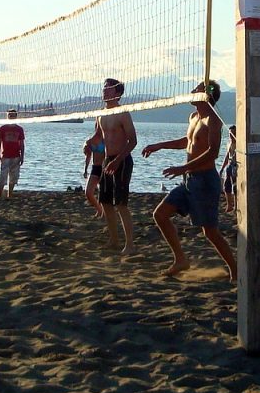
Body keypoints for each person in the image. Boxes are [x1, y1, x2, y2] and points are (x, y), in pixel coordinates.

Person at [142, 81, 237, 281]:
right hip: (189, 180)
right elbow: (188, 141)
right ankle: (181, 259)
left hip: (205, 181)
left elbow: (213, 152)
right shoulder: (194, 116)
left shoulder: (213, 120)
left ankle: (235, 270)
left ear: (206, 95)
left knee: (210, 232)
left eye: (197, 89)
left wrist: (183, 168)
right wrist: (159, 145)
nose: (192, 92)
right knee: (160, 214)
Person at [84, 78, 136, 255]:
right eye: (104, 88)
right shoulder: (100, 114)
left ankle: (129, 245)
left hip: (122, 160)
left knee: (121, 204)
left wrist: (118, 160)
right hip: (108, 160)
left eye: (109, 88)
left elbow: (133, 141)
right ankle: (114, 240)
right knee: (105, 202)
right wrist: (88, 143)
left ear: (118, 93)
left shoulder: (123, 113)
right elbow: (98, 136)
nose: (105, 91)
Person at [0, 109, 25, 199]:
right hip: (5, 156)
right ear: (7, 116)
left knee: (14, 176)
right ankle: (0, 194)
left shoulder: (19, 129)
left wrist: (22, 156)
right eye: (9, 115)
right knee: (2, 175)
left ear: (16, 117)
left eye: (13, 115)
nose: (11, 117)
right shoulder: (3, 128)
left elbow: (22, 144)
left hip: (16, 156)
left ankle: (10, 194)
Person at [83, 135, 105, 218]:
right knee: (88, 192)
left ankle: (103, 212)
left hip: (104, 167)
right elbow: (88, 156)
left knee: (102, 192)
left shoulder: (105, 139)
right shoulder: (91, 140)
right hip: (95, 167)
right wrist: (85, 169)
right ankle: (99, 209)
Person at [219, 124, 238, 214]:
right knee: (226, 186)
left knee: (235, 186)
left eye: (233, 133)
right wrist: (222, 168)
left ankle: (236, 205)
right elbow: (227, 156)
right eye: (230, 133)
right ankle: (229, 205)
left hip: (235, 165)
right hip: (229, 165)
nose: (231, 135)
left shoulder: (239, 143)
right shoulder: (229, 143)